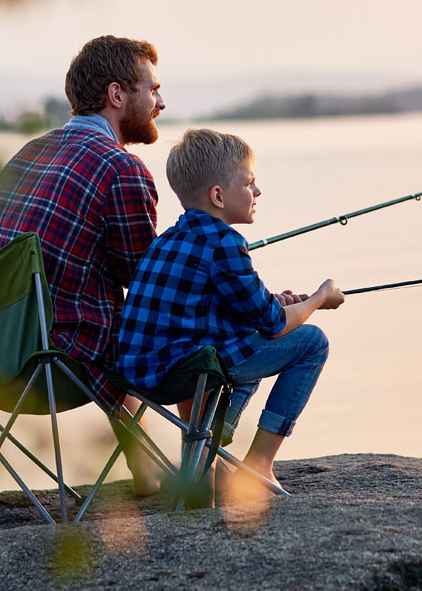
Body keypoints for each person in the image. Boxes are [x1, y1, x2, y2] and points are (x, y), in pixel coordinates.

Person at [0, 35, 167, 495]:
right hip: (50, 364)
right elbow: (144, 287)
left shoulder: (27, 154)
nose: (161, 101)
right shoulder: (121, 169)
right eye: (152, 89)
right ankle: (198, 471)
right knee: (163, 319)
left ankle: (147, 468)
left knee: (104, 315)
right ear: (117, 95)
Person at [116, 128, 345, 498]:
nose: (257, 192)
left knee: (242, 338)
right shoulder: (224, 243)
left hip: (140, 376)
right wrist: (319, 298)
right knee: (311, 342)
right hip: (188, 372)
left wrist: (277, 299)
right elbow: (272, 323)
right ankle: (257, 462)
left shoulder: (166, 240)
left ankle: (206, 456)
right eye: (250, 183)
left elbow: (217, 303)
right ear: (218, 196)